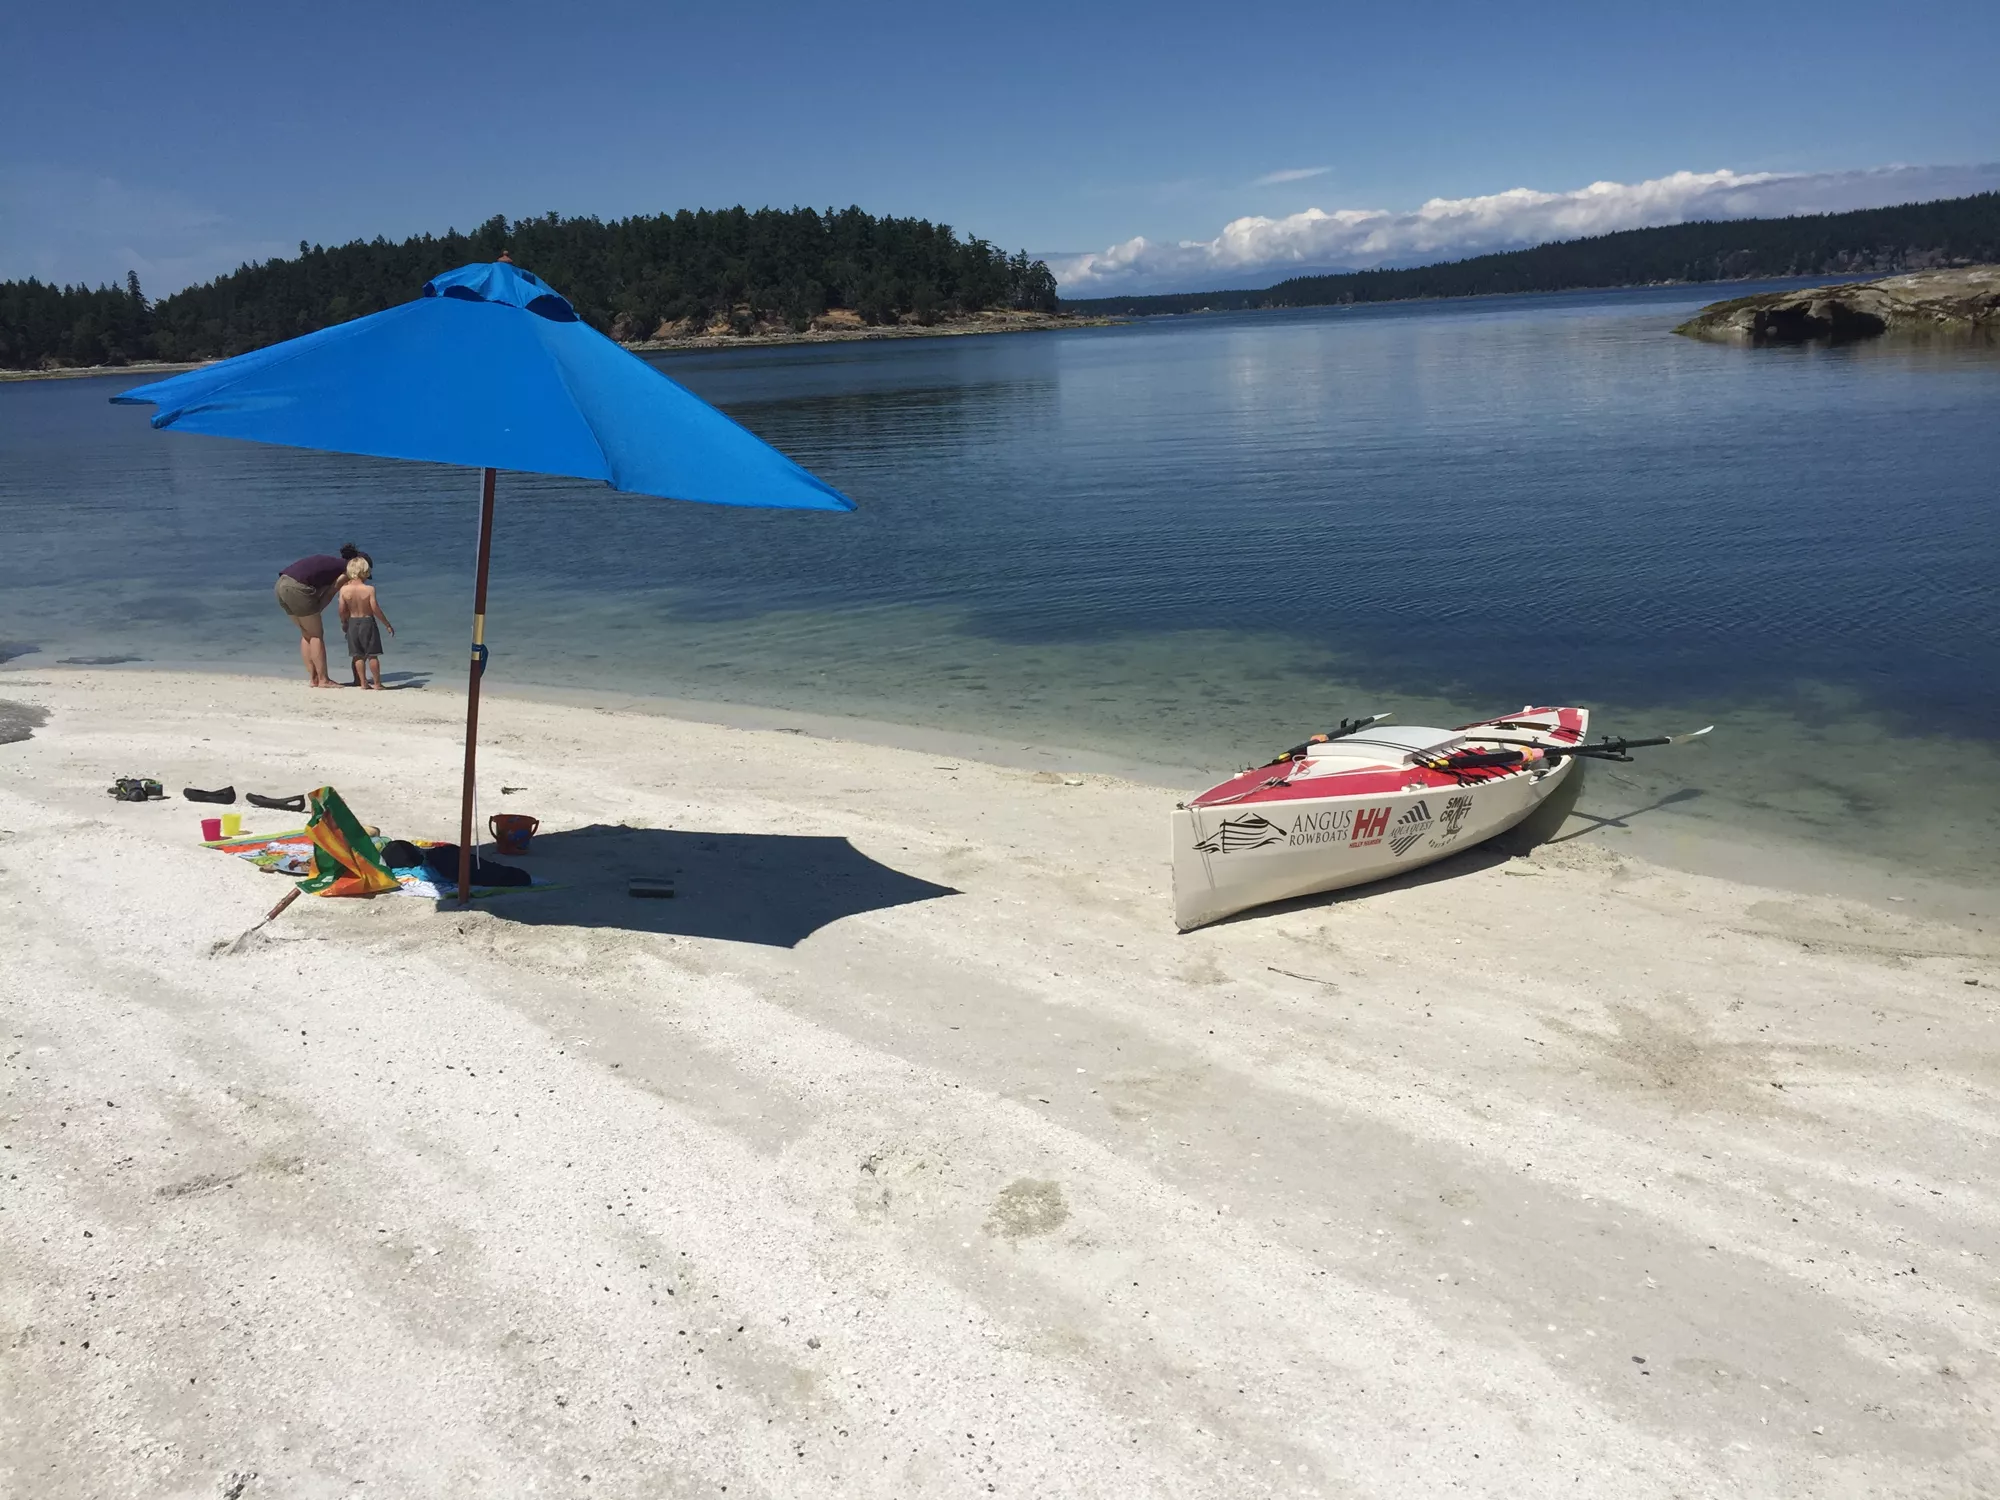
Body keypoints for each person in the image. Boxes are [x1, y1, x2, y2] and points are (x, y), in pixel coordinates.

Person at [274, 550, 355, 687]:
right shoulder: (346, 570)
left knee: (307, 634)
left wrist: (313, 611)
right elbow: (330, 592)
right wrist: (316, 611)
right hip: (296, 587)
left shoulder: (333, 564)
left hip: (281, 584)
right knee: (316, 635)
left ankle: (314, 678)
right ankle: (323, 679)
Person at [336, 556, 395, 689]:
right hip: (367, 622)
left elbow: (341, 609)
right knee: (372, 655)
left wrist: (344, 622)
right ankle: (377, 683)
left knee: (358, 655)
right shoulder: (369, 589)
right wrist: (387, 624)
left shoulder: (344, 590)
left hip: (352, 622)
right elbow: (375, 608)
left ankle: (363, 683)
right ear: (365, 571)